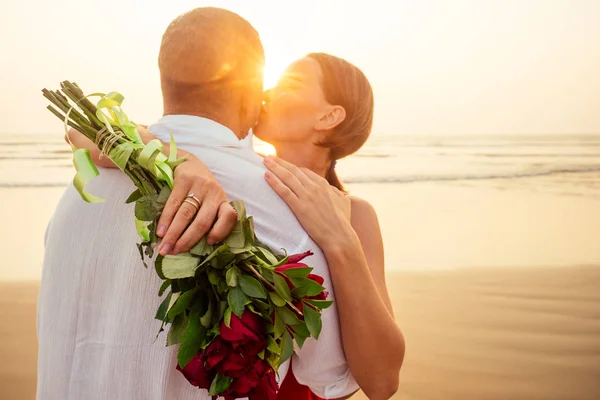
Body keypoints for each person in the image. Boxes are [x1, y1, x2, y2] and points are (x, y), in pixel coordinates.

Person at [37, 8, 360, 400]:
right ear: (249, 87)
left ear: (165, 78)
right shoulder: (283, 208)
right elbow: (331, 377)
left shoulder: (78, 193)